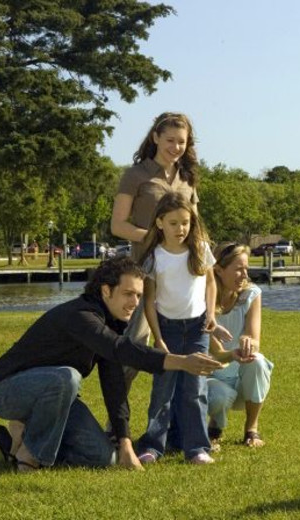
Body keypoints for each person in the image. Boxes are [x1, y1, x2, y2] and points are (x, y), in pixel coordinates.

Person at [0, 257, 222, 472]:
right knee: (67, 377)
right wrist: (180, 362)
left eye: (138, 295)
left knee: (104, 457)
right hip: (6, 392)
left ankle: (18, 440)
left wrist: (125, 442)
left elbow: (113, 384)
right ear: (106, 290)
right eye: (128, 293)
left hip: (56, 397)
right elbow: (120, 349)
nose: (135, 302)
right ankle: (28, 456)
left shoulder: (110, 324)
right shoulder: (81, 316)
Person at [110, 112, 202, 395]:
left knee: (183, 353)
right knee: (134, 349)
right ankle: (116, 426)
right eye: (170, 140)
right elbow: (118, 225)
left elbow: (195, 227)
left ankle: (180, 428)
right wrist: (155, 237)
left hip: (181, 277)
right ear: (155, 138)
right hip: (143, 273)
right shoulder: (135, 175)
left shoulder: (188, 179)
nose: (175, 147)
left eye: (182, 142)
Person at [135, 192, 219, 464]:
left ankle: (196, 448)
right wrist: (158, 338)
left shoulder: (200, 249)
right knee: (163, 390)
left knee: (195, 389)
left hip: (197, 329)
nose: (180, 229)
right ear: (160, 223)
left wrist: (211, 314)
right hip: (167, 330)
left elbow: (210, 284)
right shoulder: (154, 257)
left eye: (185, 222)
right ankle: (153, 446)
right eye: (173, 223)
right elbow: (149, 302)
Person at [206, 242, 273, 449]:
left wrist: (249, 343)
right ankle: (215, 426)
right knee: (219, 396)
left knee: (258, 361)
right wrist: (232, 354)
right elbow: (216, 353)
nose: (244, 275)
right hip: (212, 376)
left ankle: (251, 429)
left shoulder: (251, 294)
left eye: (246, 269)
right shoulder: (203, 299)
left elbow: (254, 338)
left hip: (242, 381)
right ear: (218, 270)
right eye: (238, 269)